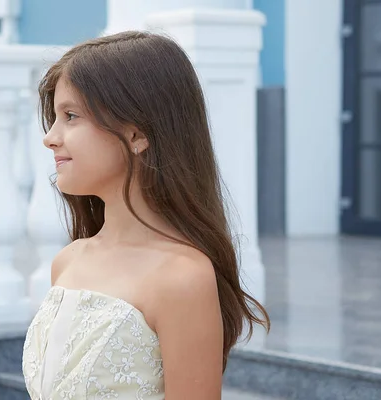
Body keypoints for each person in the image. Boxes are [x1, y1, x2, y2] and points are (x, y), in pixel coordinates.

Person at [22, 30, 270, 399]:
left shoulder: (182, 277)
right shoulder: (68, 261)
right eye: (55, 117)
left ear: (137, 135)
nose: (51, 137)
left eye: (71, 116)